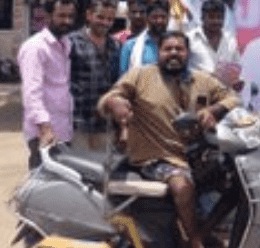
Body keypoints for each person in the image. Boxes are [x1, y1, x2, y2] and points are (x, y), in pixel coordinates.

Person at [98, 31, 240, 248]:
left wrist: (215, 110)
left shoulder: (201, 79)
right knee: (181, 186)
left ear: (187, 53)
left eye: (179, 49)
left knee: (233, 180)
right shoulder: (141, 76)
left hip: (195, 156)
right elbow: (109, 98)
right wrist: (115, 103)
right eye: (168, 49)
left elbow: (232, 97)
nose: (173, 53)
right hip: (156, 159)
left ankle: (208, 230)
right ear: (159, 52)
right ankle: (194, 239)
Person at [18, 0, 78, 169]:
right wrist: (45, 129)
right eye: (61, 16)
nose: (67, 21)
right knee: (43, 187)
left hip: (63, 130)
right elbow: (31, 93)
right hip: (45, 133)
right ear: (47, 16)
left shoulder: (65, 44)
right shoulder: (35, 48)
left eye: (70, 16)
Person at [68, 0, 121, 151]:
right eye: (100, 17)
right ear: (89, 15)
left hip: (105, 124)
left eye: (110, 19)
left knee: (102, 170)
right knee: (80, 169)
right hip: (77, 122)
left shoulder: (115, 46)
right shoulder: (71, 42)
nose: (105, 23)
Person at [186, 0, 242, 90]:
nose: (216, 21)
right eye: (211, 17)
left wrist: (238, 81)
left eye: (219, 17)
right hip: (197, 93)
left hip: (224, 96)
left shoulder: (230, 41)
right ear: (202, 18)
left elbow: (238, 68)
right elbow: (182, 71)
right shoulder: (190, 39)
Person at [120, 1, 170, 74]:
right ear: (147, 18)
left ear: (168, 18)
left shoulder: (176, 45)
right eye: (155, 17)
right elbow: (123, 77)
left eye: (163, 17)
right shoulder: (130, 46)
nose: (159, 21)